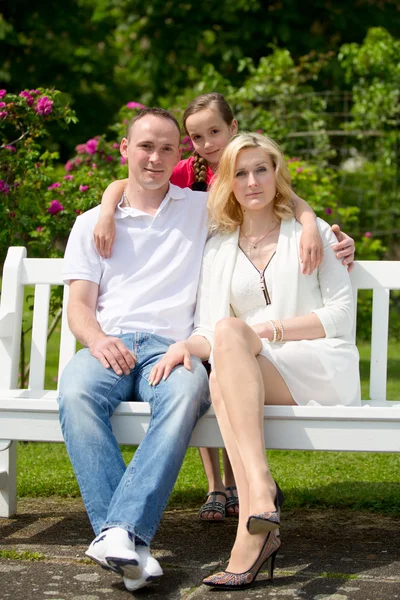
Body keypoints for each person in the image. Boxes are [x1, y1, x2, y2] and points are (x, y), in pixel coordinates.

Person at [92, 92, 356, 523]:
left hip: (294, 351)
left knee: (225, 359)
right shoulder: (191, 183)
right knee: (210, 362)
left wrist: (313, 226)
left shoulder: (281, 201)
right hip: (236, 323)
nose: (207, 143)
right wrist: (107, 211)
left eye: (215, 132)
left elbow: (291, 201)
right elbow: (132, 181)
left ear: (233, 129)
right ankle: (233, 488)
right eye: (196, 136)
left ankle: (248, 486)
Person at [147, 132, 361, 589]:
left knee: (227, 364)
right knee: (224, 362)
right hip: (249, 366)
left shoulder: (314, 231)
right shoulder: (219, 246)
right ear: (227, 182)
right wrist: (185, 346)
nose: (252, 181)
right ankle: (257, 518)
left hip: (317, 364)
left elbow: (342, 317)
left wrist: (267, 331)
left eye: (261, 169)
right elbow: (210, 328)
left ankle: (256, 499)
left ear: (277, 173)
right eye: (240, 173)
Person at [57, 107, 212, 592]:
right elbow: (79, 305)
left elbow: (268, 200)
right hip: (110, 343)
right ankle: (127, 540)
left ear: (180, 154)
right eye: (146, 145)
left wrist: (316, 224)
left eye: (168, 147)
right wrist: (99, 340)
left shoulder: (199, 209)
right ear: (125, 149)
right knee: (76, 392)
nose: (156, 157)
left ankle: (117, 534)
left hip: (171, 349)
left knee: (188, 392)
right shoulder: (90, 223)